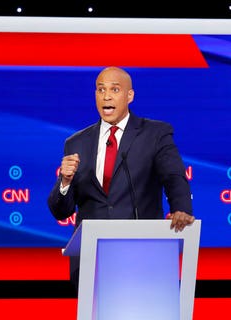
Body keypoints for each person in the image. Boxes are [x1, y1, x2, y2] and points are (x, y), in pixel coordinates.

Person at [47, 66, 195, 287]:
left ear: (129, 95)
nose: (106, 96)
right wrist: (65, 182)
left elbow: (173, 176)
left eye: (115, 89)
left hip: (143, 253)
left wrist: (181, 208)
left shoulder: (155, 134)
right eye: (100, 90)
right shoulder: (75, 142)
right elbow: (62, 211)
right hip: (92, 259)